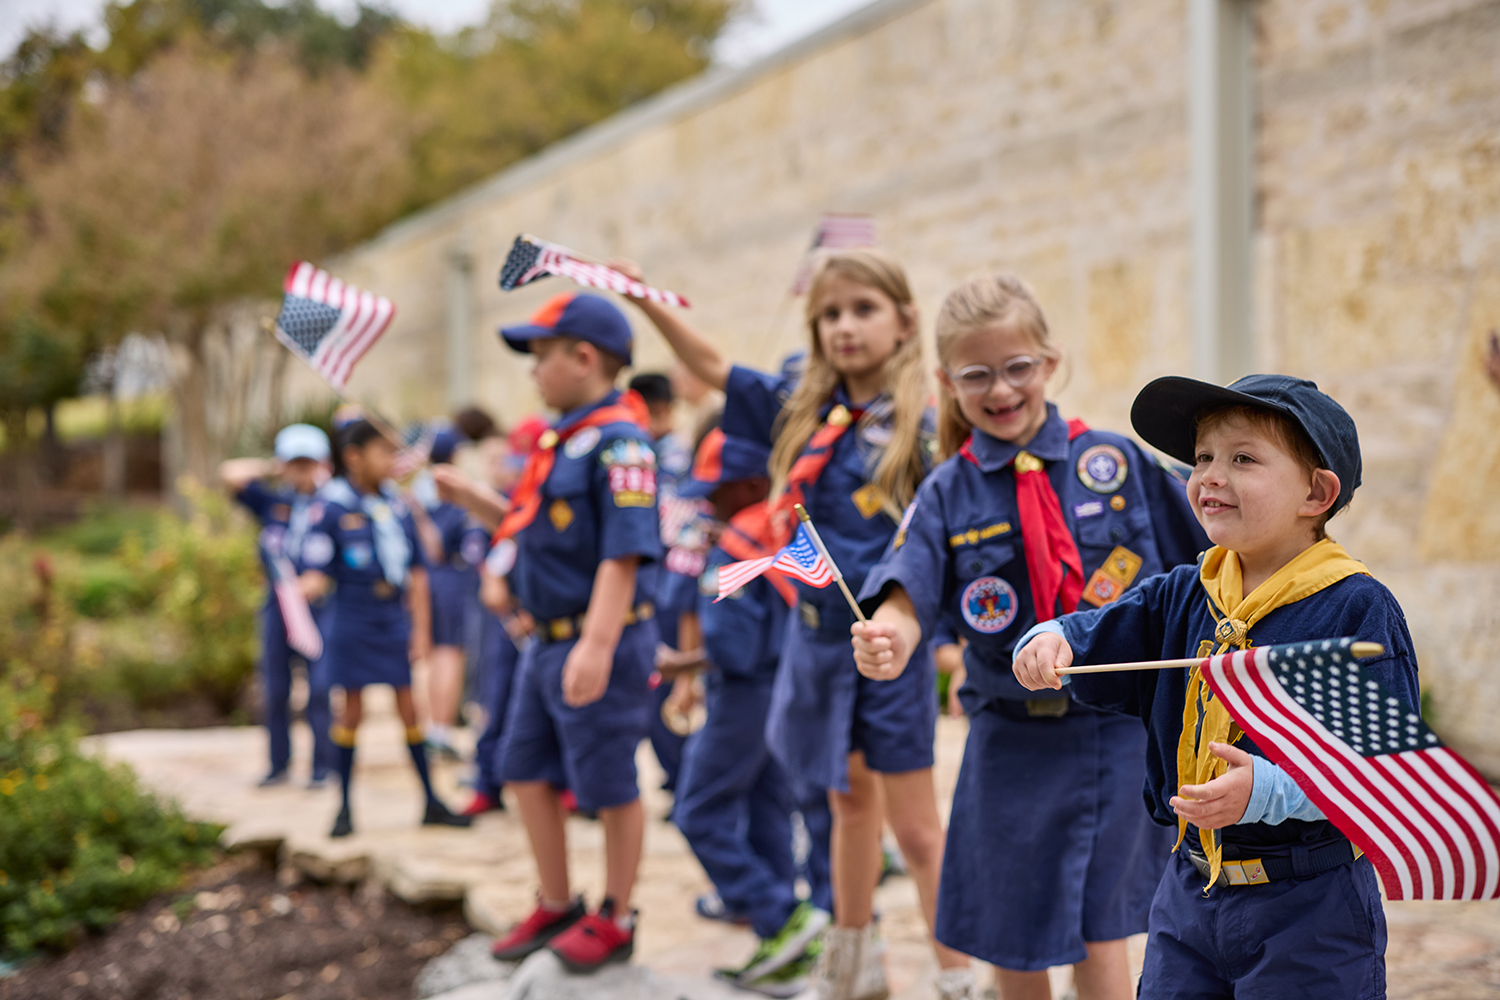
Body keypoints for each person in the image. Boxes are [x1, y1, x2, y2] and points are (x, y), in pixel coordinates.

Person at [615, 250, 965, 1000]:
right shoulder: (799, 406)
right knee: (843, 803)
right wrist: (647, 301)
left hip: (887, 640)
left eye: (863, 309)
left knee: (916, 828)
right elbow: (711, 365)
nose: (845, 327)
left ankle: (958, 979)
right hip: (815, 637)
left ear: (904, 320)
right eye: (830, 314)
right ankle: (854, 966)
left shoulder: (927, 420)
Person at [851, 275, 1207, 1000]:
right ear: (948, 383)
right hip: (1010, 743)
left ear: (1049, 362)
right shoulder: (949, 489)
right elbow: (908, 579)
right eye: (976, 375)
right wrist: (890, 632)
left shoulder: (1117, 462)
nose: (1001, 389)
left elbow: (1210, 558)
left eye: (1016, 367)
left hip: (1112, 738)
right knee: (1014, 938)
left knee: (1101, 935)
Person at [1013, 374, 1419, 1000]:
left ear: (1316, 491)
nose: (1210, 475)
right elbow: (1090, 636)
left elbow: (1380, 770)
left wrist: (1268, 790)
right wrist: (1048, 642)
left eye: (1243, 458)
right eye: (1202, 457)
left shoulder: (1353, 608)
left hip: (1310, 908)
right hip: (1188, 896)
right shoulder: (1185, 591)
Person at [486, 292, 662, 972]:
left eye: (541, 356)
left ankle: (617, 914)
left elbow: (623, 550)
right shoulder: (563, 438)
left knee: (610, 781)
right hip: (546, 639)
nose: (534, 372)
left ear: (584, 358)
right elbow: (543, 529)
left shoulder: (621, 441)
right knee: (523, 767)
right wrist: (475, 502)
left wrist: (596, 644)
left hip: (598, 639)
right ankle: (558, 902)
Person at [666, 426, 834, 998]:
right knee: (766, 807)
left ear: (751, 484)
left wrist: (684, 665)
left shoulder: (734, 544)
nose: (709, 501)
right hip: (781, 692)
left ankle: (779, 914)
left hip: (742, 698)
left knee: (697, 809)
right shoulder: (779, 532)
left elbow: (732, 647)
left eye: (718, 489)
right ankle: (784, 946)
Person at [295, 419, 474, 838]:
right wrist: (297, 593)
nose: (391, 462)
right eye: (382, 453)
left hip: (392, 618)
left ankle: (431, 799)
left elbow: (417, 573)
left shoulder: (397, 505)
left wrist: (422, 630)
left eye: (394, 453)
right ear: (353, 457)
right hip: (351, 621)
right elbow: (317, 570)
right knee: (351, 711)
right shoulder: (333, 506)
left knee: (409, 708)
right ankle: (343, 808)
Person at [220, 423, 337, 789]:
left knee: (319, 688)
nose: (302, 470)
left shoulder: (333, 504)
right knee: (274, 687)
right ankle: (278, 764)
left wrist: (318, 582)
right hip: (277, 606)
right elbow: (230, 473)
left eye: (308, 462)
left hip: (319, 607)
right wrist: (273, 467)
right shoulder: (273, 501)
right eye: (295, 463)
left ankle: (323, 766)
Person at [629, 372, 694, 803]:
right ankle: (676, 775)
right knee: (655, 687)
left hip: (676, 581)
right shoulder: (642, 453)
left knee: (673, 685)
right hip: (653, 585)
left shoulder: (678, 460)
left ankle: (685, 775)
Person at [412, 426, 488, 760]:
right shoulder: (445, 492)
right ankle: (439, 729)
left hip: (432, 580)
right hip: (447, 580)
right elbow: (436, 547)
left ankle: (435, 727)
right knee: (448, 654)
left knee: (438, 653)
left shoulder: (421, 490)